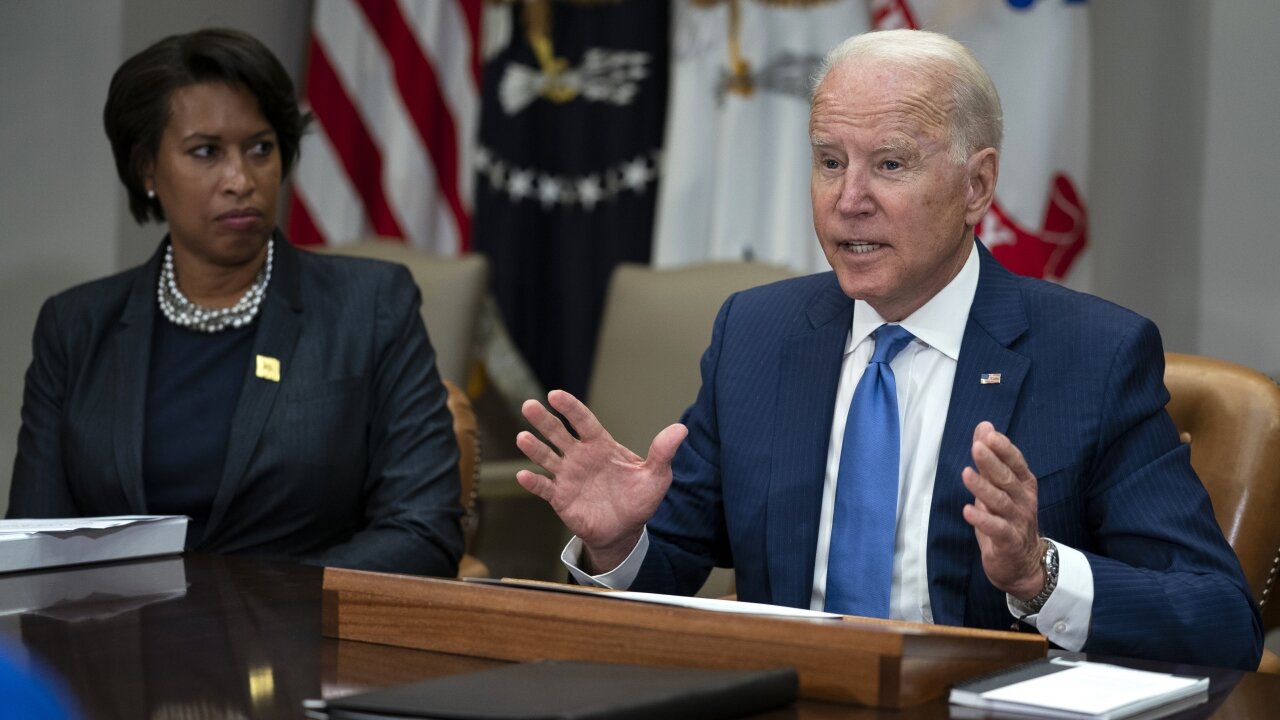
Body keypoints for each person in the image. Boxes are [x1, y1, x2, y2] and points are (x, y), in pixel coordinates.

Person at [514, 29, 1263, 670]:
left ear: (978, 186)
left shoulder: (1094, 356)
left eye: (891, 164)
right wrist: (618, 543)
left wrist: (1039, 575)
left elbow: (1222, 620)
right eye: (830, 161)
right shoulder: (758, 334)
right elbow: (671, 564)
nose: (849, 199)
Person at [7, 28, 463, 577]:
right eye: (206, 152)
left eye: (260, 149)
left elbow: (423, 529)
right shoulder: (76, 326)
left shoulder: (369, 306)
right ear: (147, 169)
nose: (240, 180)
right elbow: (35, 546)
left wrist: (264, 615)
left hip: (305, 647)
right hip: (117, 651)